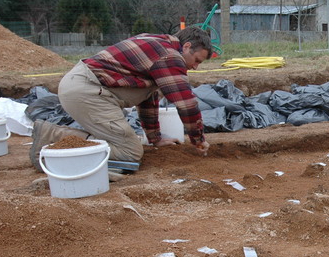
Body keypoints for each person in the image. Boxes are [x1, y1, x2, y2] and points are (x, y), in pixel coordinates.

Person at [30, 26, 213, 173]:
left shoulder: (157, 44)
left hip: (85, 87)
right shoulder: (170, 56)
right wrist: (198, 139)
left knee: (124, 143)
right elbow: (186, 104)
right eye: (196, 60)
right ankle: (54, 137)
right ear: (187, 47)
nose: (195, 67)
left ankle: (66, 143)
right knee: (130, 152)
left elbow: (147, 96)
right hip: (88, 91)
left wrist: (155, 138)